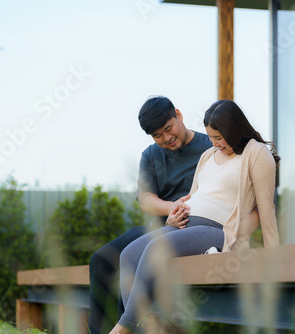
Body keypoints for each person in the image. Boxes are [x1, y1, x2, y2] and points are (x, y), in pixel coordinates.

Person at [109, 99, 281, 334]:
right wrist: (172, 217)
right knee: (129, 254)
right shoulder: (208, 156)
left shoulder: (256, 153)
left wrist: (275, 255)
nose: (214, 143)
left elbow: (266, 207)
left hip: (218, 231)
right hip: (183, 226)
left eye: (219, 137)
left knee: (155, 250)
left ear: (234, 130)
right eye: (211, 138)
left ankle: (122, 328)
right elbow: (194, 196)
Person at [88, 96, 212, 334]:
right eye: (157, 135)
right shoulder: (150, 155)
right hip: (158, 226)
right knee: (101, 260)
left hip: (195, 227)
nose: (166, 138)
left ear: (178, 114)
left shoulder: (209, 147)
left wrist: (184, 213)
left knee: (135, 258)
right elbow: (146, 199)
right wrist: (170, 209)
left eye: (168, 128)